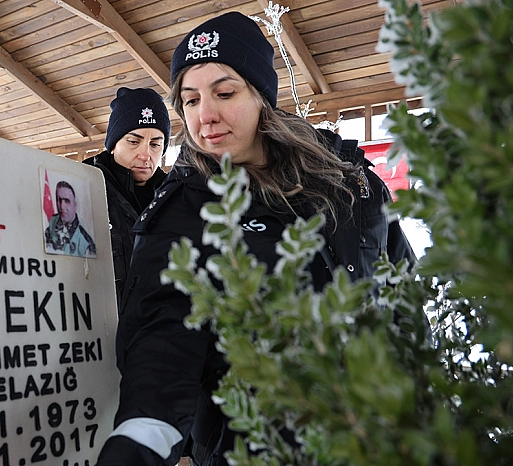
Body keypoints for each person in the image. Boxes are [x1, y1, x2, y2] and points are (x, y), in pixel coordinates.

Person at [95, 11, 416, 466]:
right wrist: (140, 442)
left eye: (225, 92)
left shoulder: (348, 177)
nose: (205, 116)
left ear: (262, 95)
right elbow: (161, 342)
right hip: (260, 447)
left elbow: (401, 282)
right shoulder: (186, 209)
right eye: (189, 101)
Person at [84, 87, 171, 306]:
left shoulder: (174, 195)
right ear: (113, 145)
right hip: (96, 328)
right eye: (134, 141)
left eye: (155, 144)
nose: (145, 155)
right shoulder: (80, 185)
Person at [45, 180, 97, 257]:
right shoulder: (53, 221)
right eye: (59, 200)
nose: (61, 207)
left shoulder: (85, 243)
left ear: (75, 206)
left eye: (67, 201)